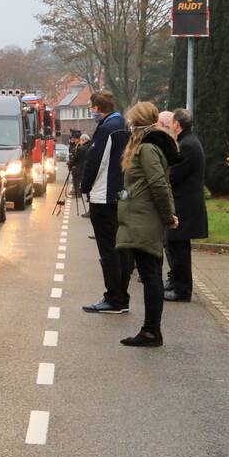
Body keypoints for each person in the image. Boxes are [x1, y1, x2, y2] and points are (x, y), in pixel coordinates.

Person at [115, 102, 181, 346]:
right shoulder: (144, 146)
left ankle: (152, 331)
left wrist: (167, 215)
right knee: (149, 273)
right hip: (141, 217)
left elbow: (158, 184)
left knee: (151, 275)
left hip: (145, 220)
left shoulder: (148, 149)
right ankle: (151, 329)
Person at [80, 90, 132, 314]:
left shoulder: (107, 129)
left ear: (97, 107)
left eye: (91, 107)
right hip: (121, 194)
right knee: (121, 248)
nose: (91, 111)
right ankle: (122, 295)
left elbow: (95, 161)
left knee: (108, 249)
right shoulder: (123, 125)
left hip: (104, 196)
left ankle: (114, 297)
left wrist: (85, 187)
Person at [164, 108, 208, 302]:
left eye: (172, 122)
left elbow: (175, 173)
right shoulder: (188, 142)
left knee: (179, 248)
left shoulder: (187, 145)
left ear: (176, 124)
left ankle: (183, 290)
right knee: (175, 245)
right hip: (185, 202)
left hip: (185, 204)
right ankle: (177, 284)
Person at [69, 133, 91, 213]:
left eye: (81, 140)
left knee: (77, 181)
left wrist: (70, 165)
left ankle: (78, 193)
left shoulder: (81, 148)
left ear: (84, 140)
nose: (80, 142)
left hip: (79, 169)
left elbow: (75, 159)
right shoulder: (91, 146)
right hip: (87, 169)